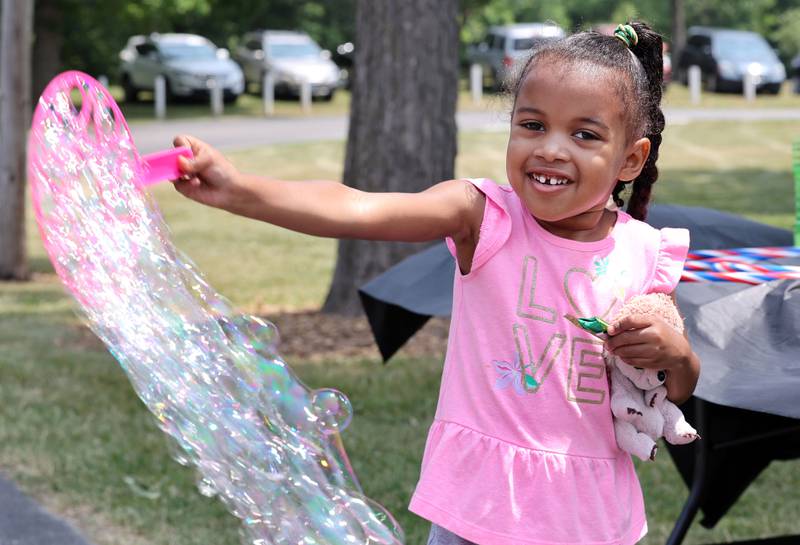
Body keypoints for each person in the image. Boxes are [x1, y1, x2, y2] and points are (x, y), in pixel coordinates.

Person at [172, 20, 700, 545]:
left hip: (591, 516)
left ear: (631, 158)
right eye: (533, 125)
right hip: (479, 504)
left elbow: (670, 390)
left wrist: (677, 356)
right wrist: (240, 190)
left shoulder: (646, 252)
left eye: (584, 135)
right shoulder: (484, 215)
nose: (552, 150)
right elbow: (356, 208)